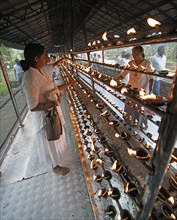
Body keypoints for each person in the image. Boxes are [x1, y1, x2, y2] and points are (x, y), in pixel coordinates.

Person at [20, 43, 76, 175]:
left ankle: (58, 161)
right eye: (44, 55)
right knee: (50, 141)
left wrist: (62, 90)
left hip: (53, 112)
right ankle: (55, 167)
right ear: (36, 58)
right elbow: (32, 106)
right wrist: (51, 104)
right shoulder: (30, 77)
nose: (47, 58)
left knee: (57, 137)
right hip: (46, 118)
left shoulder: (41, 70)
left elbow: (51, 87)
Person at [117, 46, 154, 127]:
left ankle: (140, 124)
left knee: (140, 108)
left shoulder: (147, 63)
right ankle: (129, 121)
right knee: (130, 106)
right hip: (131, 89)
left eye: (135, 53)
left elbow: (151, 78)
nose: (133, 54)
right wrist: (117, 81)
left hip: (142, 90)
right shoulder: (130, 63)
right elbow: (124, 74)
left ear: (141, 53)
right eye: (133, 52)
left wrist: (151, 90)